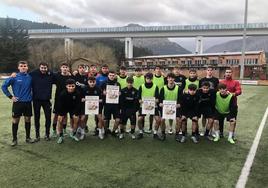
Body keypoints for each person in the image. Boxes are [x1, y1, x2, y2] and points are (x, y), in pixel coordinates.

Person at [2, 61, 34, 146]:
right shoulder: (14, 77)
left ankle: (28, 137)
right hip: (18, 103)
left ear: (27, 67)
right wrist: (11, 97)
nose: (23, 67)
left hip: (27, 103)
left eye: (25, 66)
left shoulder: (30, 77)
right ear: (18, 68)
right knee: (16, 120)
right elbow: (4, 86)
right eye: (21, 66)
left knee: (28, 119)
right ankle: (14, 139)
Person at [30, 62, 55, 141]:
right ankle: (37, 135)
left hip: (47, 100)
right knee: (37, 118)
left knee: (48, 117)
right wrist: (14, 74)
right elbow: (24, 74)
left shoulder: (51, 74)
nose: (43, 69)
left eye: (45, 68)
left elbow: (59, 75)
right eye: (42, 68)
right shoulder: (33, 73)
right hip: (36, 100)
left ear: (47, 68)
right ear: (39, 67)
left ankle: (47, 134)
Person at [56, 79, 82, 144]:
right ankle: (60, 136)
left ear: (75, 86)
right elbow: (60, 105)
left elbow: (78, 104)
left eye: (72, 86)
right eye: (69, 86)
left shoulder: (77, 93)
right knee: (60, 120)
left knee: (76, 119)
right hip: (64, 108)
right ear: (66, 86)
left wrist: (75, 113)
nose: (71, 88)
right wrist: (61, 114)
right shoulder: (62, 94)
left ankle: (73, 134)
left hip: (73, 108)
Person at [137, 72, 161, 140]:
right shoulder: (141, 86)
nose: (149, 80)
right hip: (143, 106)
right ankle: (141, 132)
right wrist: (140, 100)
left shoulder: (155, 86)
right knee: (139, 119)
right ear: (145, 79)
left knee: (158, 120)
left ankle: (155, 133)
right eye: (147, 78)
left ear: (152, 79)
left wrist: (156, 100)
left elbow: (157, 98)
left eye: (150, 78)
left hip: (153, 106)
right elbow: (138, 97)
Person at [219, 68, 242, 138]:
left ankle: (232, 134)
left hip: (232, 105)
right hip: (222, 104)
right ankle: (221, 133)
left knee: (232, 120)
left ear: (232, 73)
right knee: (220, 120)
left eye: (229, 72)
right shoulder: (221, 82)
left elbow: (239, 91)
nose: (228, 73)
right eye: (227, 72)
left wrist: (233, 94)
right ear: (225, 73)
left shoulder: (236, 82)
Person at [159, 73, 182, 141]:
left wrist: (179, 104)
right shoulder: (163, 88)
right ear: (167, 79)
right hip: (165, 108)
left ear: (174, 79)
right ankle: (163, 134)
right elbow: (160, 100)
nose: (171, 79)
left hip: (175, 108)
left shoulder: (178, 89)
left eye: (172, 78)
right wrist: (160, 104)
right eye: (169, 78)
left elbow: (181, 100)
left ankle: (177, 134)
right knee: (162, 120)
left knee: (178, 120)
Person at [52, 63, 72, 137]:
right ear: (61, 68)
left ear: (68, 68)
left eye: (66, 67)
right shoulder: (56, 75)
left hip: (67, 98)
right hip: (58, 98)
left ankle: (64, 129)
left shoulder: (70, 76)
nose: (65, 68)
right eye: (63, 67)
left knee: (65, 114)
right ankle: (54, 130)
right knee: (56, 114)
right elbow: (49, 74)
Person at [165, 66, 186, 134]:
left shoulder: (183, 77)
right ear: (173, 70)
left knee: (178, 116)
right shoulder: (168, 78)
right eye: (175, 69)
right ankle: (170, 127)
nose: (176, 70)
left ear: (179, 70)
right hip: (170, 98)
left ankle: (179, 129)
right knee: (170, 115)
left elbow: (186, 85)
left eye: (178, 69)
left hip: (179, 98)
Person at [199, 66, 219, 136]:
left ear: (212, 71)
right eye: (208, 70)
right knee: (204, 117)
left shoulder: (216, 80)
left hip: (212, 100)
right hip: (204, 101)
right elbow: (200, 90)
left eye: (211, 70)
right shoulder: (202, 80)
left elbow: (217, 90)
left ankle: (211, 130)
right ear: (206, 71)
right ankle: (203, 129)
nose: (209, 71)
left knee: (211, 117)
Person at [101, 71, 121, 137]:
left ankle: (113, 131)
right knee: (105, 120)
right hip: (107, 104)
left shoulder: (117, 84)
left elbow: (119, 92)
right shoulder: (104, 83)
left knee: (117, 120)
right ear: (108, 76)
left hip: (115, 105)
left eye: (113, 75)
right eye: (110, 75)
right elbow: (100, 92)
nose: (112, 76)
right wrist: (103, 93)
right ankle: (106, 131)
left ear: (115, 76)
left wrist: (119, 94)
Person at [73, 64, 88, 140]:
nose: (82, 69)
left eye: (83, 68)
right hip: (75, 100)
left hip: (84, 100)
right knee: (76, 118)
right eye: (80, 68)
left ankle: (82, 132)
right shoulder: (74, 76)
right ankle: (75, 131)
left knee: (83, 118)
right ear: (78, 69)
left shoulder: (86, 77)